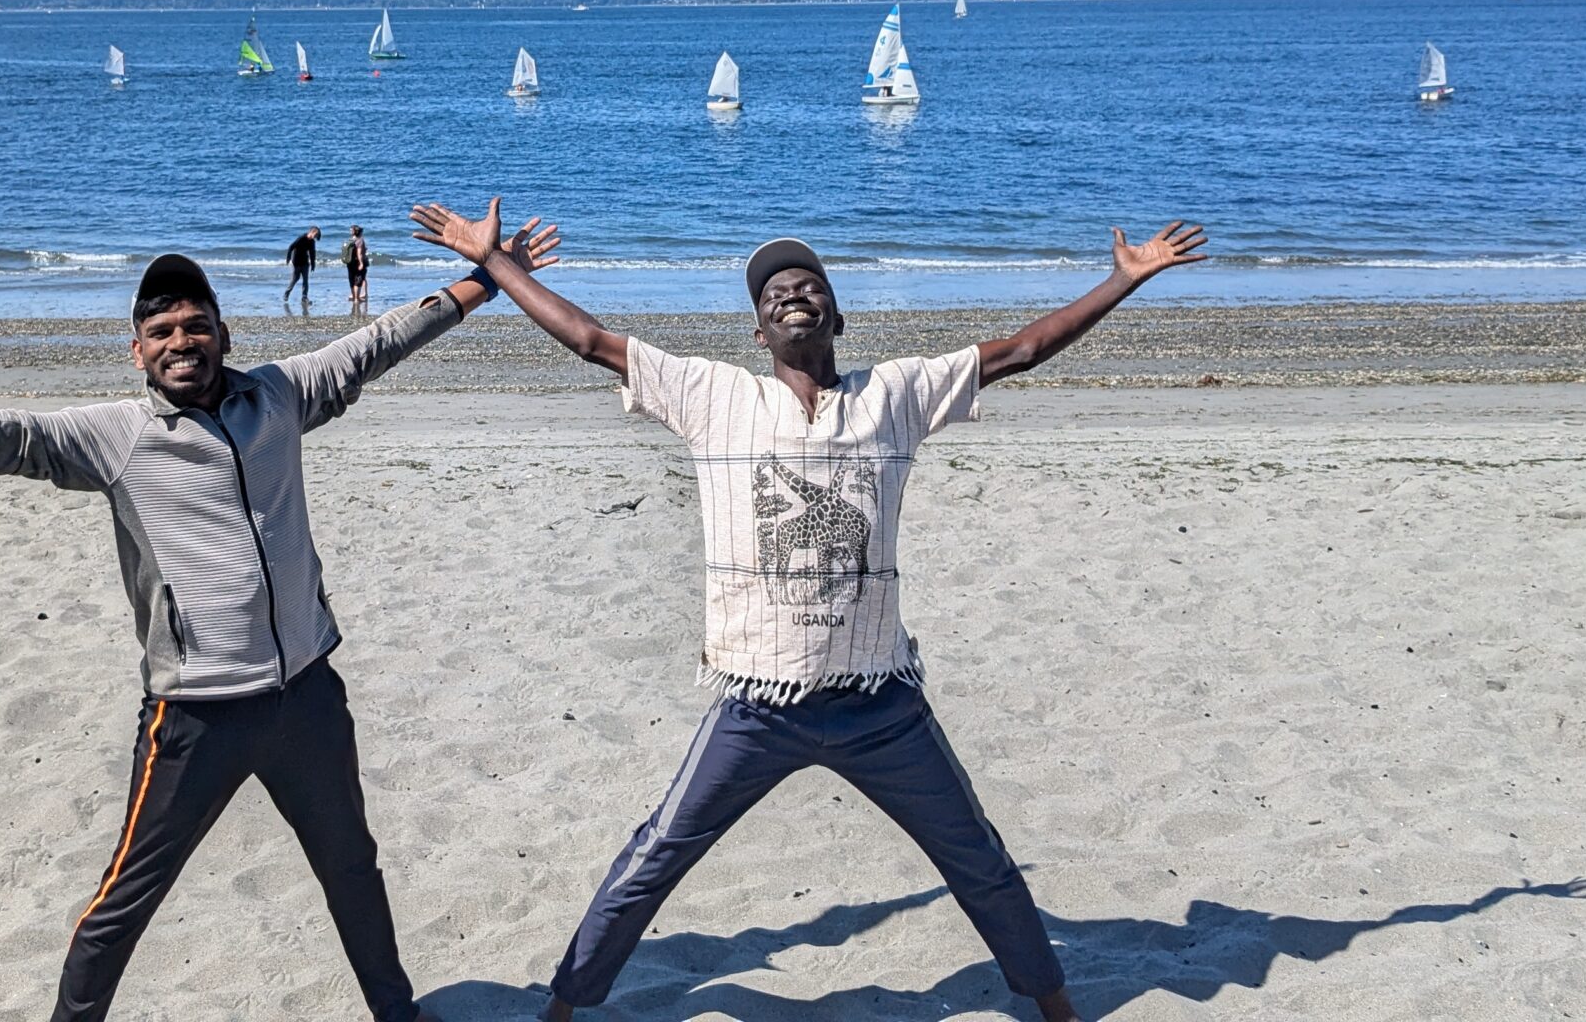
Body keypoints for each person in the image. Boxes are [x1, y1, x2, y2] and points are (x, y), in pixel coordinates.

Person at [0, 212, 561, 1022]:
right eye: (162, 331)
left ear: (226, 335)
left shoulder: (280, 397)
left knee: (352, 870)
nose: (182, 341)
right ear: (137, 350)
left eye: (196, 326)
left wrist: (490, 274)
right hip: (196, 717)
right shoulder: (113, 437)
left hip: (307, 699)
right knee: (124, 902)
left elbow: (382, 341)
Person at [408, 199, 1209, 1022]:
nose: (792, 293)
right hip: (759, 704)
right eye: (774, 293)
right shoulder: (710, 394)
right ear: (759, 334)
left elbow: (1022, 350)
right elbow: (589, 340)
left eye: (809, 285)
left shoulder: (895, 394)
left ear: (837, 318)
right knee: (657, 853)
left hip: (880, 704)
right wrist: (493, 263)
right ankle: (563, 1007)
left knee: (978, 858)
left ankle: (1055, 1006)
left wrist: (1122, 279)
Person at [283, 225, 321, 306]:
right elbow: (291, 247)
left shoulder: (312, 242)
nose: (315, 237)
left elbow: (312, 253)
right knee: (295, 279)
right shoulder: (301, 238)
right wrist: (288, 258)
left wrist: (313, 264)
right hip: (296, 262)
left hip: (305, 263)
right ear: (312, 232)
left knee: (305, 280)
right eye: (315, 235)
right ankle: (287, 293)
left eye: (316, 236)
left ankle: (304, 297)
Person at [344, 225, 373, 308]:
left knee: (352, 280)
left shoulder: (350, 240)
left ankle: (354, 297)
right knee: (358, 280)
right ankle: (357, 298)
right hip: (357, 262)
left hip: (350, 262)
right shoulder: (360, 240)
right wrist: (361, 263)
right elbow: (359, 253)